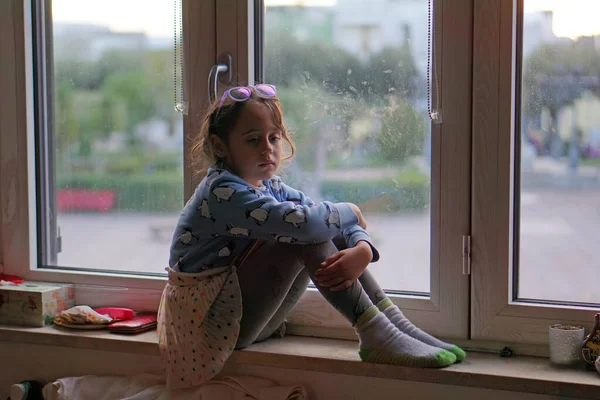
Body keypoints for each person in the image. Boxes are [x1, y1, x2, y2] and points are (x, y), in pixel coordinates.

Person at [157, 84, 465, 389]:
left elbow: (318, 213)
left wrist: (363, 247)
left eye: (274, 137)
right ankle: (376, 332)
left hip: (241, 320)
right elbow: (308, 224)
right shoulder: (222, 191)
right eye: (253, 140)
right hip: (209, 331)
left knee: (315, 223)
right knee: (307, 231)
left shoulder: (269, 185)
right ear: (221, 146)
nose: (268, 148)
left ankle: (394, 324)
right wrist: (352, 210)